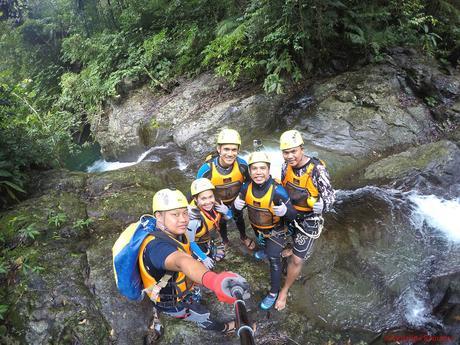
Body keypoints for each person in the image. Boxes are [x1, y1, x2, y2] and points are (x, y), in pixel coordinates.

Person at [139, 188, 250, 334]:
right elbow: (182, 261)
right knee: (204, 317)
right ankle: (225, 328)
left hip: (177, 286)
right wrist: (213, 281)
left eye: (185, 213)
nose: (183, 219)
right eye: (175, 214)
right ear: (159, 216)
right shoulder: (156, 247)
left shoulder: (176, 232)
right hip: (170, 302)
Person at [274, 130, 335, 311]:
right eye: (286, 152)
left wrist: (323, 205)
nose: (290, 156)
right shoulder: (286, 166)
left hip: (309, 218)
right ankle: (291, 246)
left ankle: (284, 290)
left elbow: (331, 197)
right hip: (290, 212)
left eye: (294, 151)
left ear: (302, 149)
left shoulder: (317, 170)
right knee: (284, 237)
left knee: (297, 260)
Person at [233, 151, 296, 310]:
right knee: (264, 246)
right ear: (249, 171)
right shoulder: (246, 187)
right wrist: (235, 206)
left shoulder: (278, 191)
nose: (258, 172)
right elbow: (237, 212)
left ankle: (274, 292)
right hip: (258, 228)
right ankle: (267, 251)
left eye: (262, 168)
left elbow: (294, 215)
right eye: (254, 168)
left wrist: (285, 211)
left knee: (274, 260)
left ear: (269, 170)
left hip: (276, 231)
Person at [196, 128, 256, 250]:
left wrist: (242, 197)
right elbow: (198, 190)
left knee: (239, 218)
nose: (230, 153)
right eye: (226, 149)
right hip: (217, 203)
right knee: (221, 222)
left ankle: (243, 237)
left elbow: (250, 182)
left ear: (238, 150)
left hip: (236, 200)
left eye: (234, 150)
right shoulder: (207, 170)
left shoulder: (242, 165)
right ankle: (224, 240)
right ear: (219, 149)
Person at [187, 178, 233, 269]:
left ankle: (210, 248)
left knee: (219, 256)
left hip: (208, 238)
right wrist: (204, 258)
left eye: (210, 197)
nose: (208, 202)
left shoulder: (217, 204)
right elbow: (190, 242)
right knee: (206, 268)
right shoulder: (193, 219)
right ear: (195, 199)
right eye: (203, 198)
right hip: (196, 242)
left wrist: (227, 212)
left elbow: (228, 218)